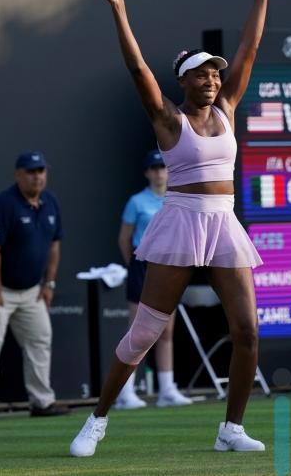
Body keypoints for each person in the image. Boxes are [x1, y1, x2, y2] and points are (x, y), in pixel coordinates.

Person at [69, 0, 274, 457]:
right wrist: (118, 6)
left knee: (247, 331)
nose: (211, 78)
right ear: (183, 81)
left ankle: (230, 429)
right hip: (180, 222)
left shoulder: (226, 108)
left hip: (222, 222)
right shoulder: (167, 119)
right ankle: (97, 420)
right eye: (200, 74)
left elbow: (249, 47)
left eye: (214, 73)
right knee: (144, 334)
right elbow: (137, 66)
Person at [0, 150, 69, 422]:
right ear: (18, 175)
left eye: (41, 171)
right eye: (31, 172)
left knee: (40, 337)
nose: (37, 177)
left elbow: (54, 244)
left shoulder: (50, 202)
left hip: (31, 289)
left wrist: (49, 283)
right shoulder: (4, 203)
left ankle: (42, 402)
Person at [115, 149, 193, 409]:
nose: (160, 172)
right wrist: (136, 264)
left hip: (167, 266)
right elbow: (124, 239)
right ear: (148, 173)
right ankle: (125, 392)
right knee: (137, 331)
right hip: (142, 265)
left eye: (163, 167)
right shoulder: (137, 202)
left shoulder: (175, 200)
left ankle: (167, 390)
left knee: (166, 330)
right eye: (155, 168)